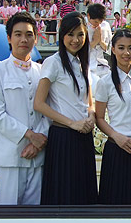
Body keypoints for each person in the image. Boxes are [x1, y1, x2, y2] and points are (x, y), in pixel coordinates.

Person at [0, 12, 49, 205]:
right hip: (10, 157)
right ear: (9, 38)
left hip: (39, 156)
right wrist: (29, 135)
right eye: (18, 34)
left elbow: (50, 110)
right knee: (8, 215)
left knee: (35, 216)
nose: (24, 39)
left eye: (29, 34)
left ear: (36, 38)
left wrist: (39, 140)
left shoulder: (43, 72)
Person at [33, 12, 98, 205]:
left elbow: (90, 102)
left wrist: (91, 118)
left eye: (80, 34)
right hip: (63, 137)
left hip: (84, 136)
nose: (75, 40)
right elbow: (39, 103)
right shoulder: (53, 62)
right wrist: (72, 123)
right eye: (70, 34)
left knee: (83, 193)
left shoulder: (82, 63)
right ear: (62, 36)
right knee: (63, 194)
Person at [94, 29, 131, 204]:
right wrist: (116, 136)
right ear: (113, 49)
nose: (126, 53)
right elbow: (99, 118)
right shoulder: (105, 83)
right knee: (114, 202)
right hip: (117, 149)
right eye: (121, 48)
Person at [86, 3, 112, 91]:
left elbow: (109, 48)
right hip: (88, 66)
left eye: (100, 22)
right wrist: (94, 42)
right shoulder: (82, 27)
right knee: (97, 87)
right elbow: (80, 50)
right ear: (88, 16)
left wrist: (100, 41)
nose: (98, 24)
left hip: (103, 65)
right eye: (96, 22)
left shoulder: (105, 26)